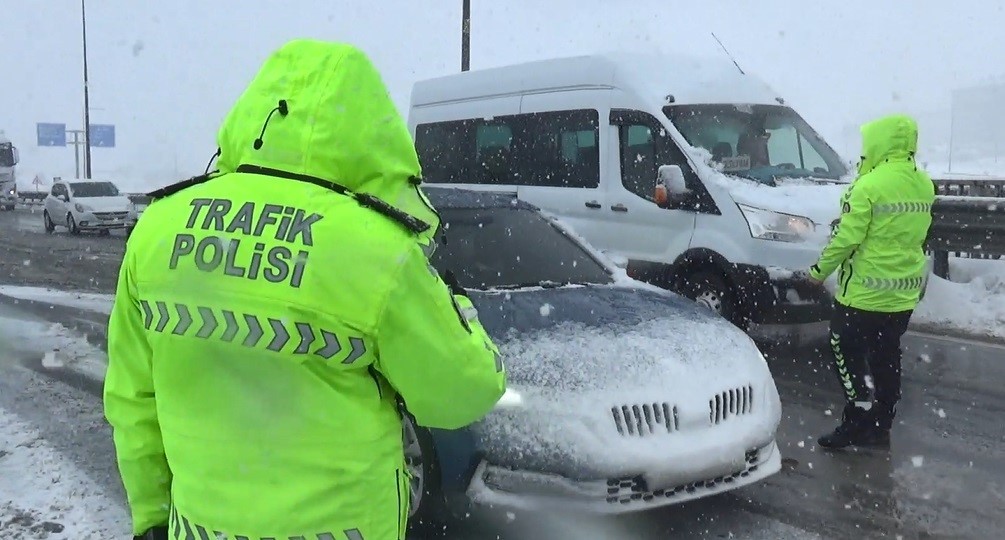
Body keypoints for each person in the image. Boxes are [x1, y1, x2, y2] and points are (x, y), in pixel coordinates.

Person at [103, 39, 507, 540]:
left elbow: (133, 398)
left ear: (254, 115)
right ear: (369, 132)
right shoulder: (377, 249)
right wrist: (456, 304)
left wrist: (150, 515)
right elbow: (463, 391)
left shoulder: (158, 229)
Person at [807, 113, 934, 450]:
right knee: (886, 353)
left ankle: (856, 419)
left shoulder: (868, 185)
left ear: (879, 144)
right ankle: (882, 422)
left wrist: (817, 272)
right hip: (903, 292)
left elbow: (847, 239)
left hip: (864, 293)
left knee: (843, 347)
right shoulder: (923, 183)